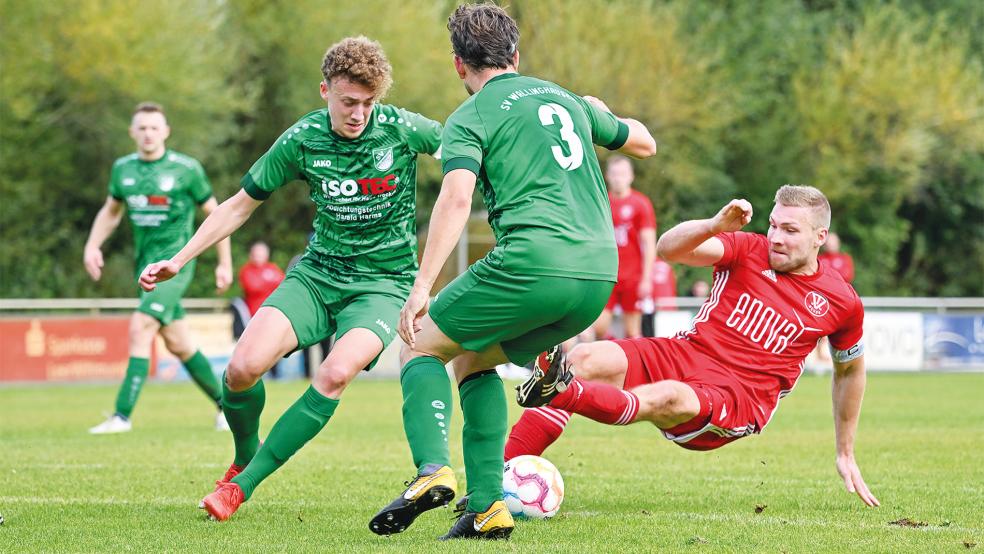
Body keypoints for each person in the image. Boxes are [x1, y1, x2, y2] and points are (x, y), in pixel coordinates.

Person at [368, 4, 657, 541]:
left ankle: (432, 471)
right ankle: (487, 507)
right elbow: (644, 143)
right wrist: (597, 110)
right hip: (596, 277)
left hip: (533, 265)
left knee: (419, 346)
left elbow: (455, 201)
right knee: (471, 359)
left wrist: (420, 289)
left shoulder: (470, 118)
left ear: (459, 65)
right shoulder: (563, 98)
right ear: (516, 56)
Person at [138, 37, 443, 521]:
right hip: (318, 276)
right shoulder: (302, 140)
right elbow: (238, 205)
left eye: (368, 103)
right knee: (241, 370)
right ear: (325, 91)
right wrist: (181, 257)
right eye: (348, 102)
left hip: (384, 285)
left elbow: (465, 150)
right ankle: (243, 452)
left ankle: (241, 486)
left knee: (335, 373)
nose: (359, 113)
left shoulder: (403, 129)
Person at [510, 185, 880, 509]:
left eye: (790, 230)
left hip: (737, 397)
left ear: (820, 236)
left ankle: (560, 391)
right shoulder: (748, 248)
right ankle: (497, 480)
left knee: (669, 396)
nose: (776, 237)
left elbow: (850, 371)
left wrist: (845, 452)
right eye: (772, 224)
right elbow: (668, 250)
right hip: (687, 353)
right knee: (584, 357)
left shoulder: (841, 301)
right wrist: (713, 226)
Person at [84, 102, 232, 434]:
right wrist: (93, 245)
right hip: (144, 269)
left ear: (165, 131)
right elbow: (111, 211)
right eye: (142, 127)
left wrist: (224, 263)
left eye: (154, 127)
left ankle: (121, 416)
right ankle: (228, 407)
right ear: (132, 132)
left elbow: (218, 214)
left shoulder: (186, 169)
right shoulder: (123, 169)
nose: (148, 133)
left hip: (174, 267)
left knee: (141, 325)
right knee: (179, 343)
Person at [592, 155, 657, 339]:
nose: (618, 178)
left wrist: (646, 278)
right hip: (607, 275)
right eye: (614, 173)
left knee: (633, 331)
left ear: (631, 176)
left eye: (622, 173)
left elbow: (649, 243)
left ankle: (633, 365)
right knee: (598, 327)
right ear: (607, 176)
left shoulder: (641, 203)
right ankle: (610, 350)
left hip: (633, 277)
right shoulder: (601, 202)